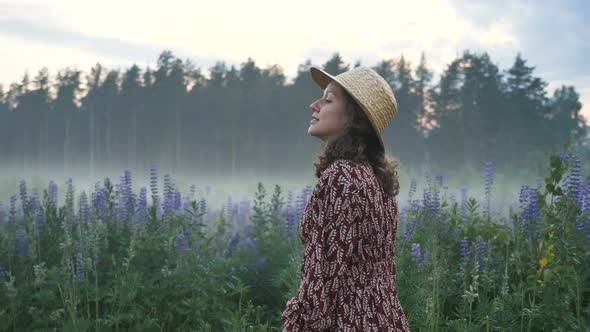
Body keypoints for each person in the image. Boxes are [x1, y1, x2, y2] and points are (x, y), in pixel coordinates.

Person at [281, 65, 411, 331]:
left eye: (328, 99)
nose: (314, 105)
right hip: (385, 320)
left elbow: (322, 280)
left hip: (348, 321)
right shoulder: (375, 179)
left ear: (354, 117)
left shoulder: (341, 177)